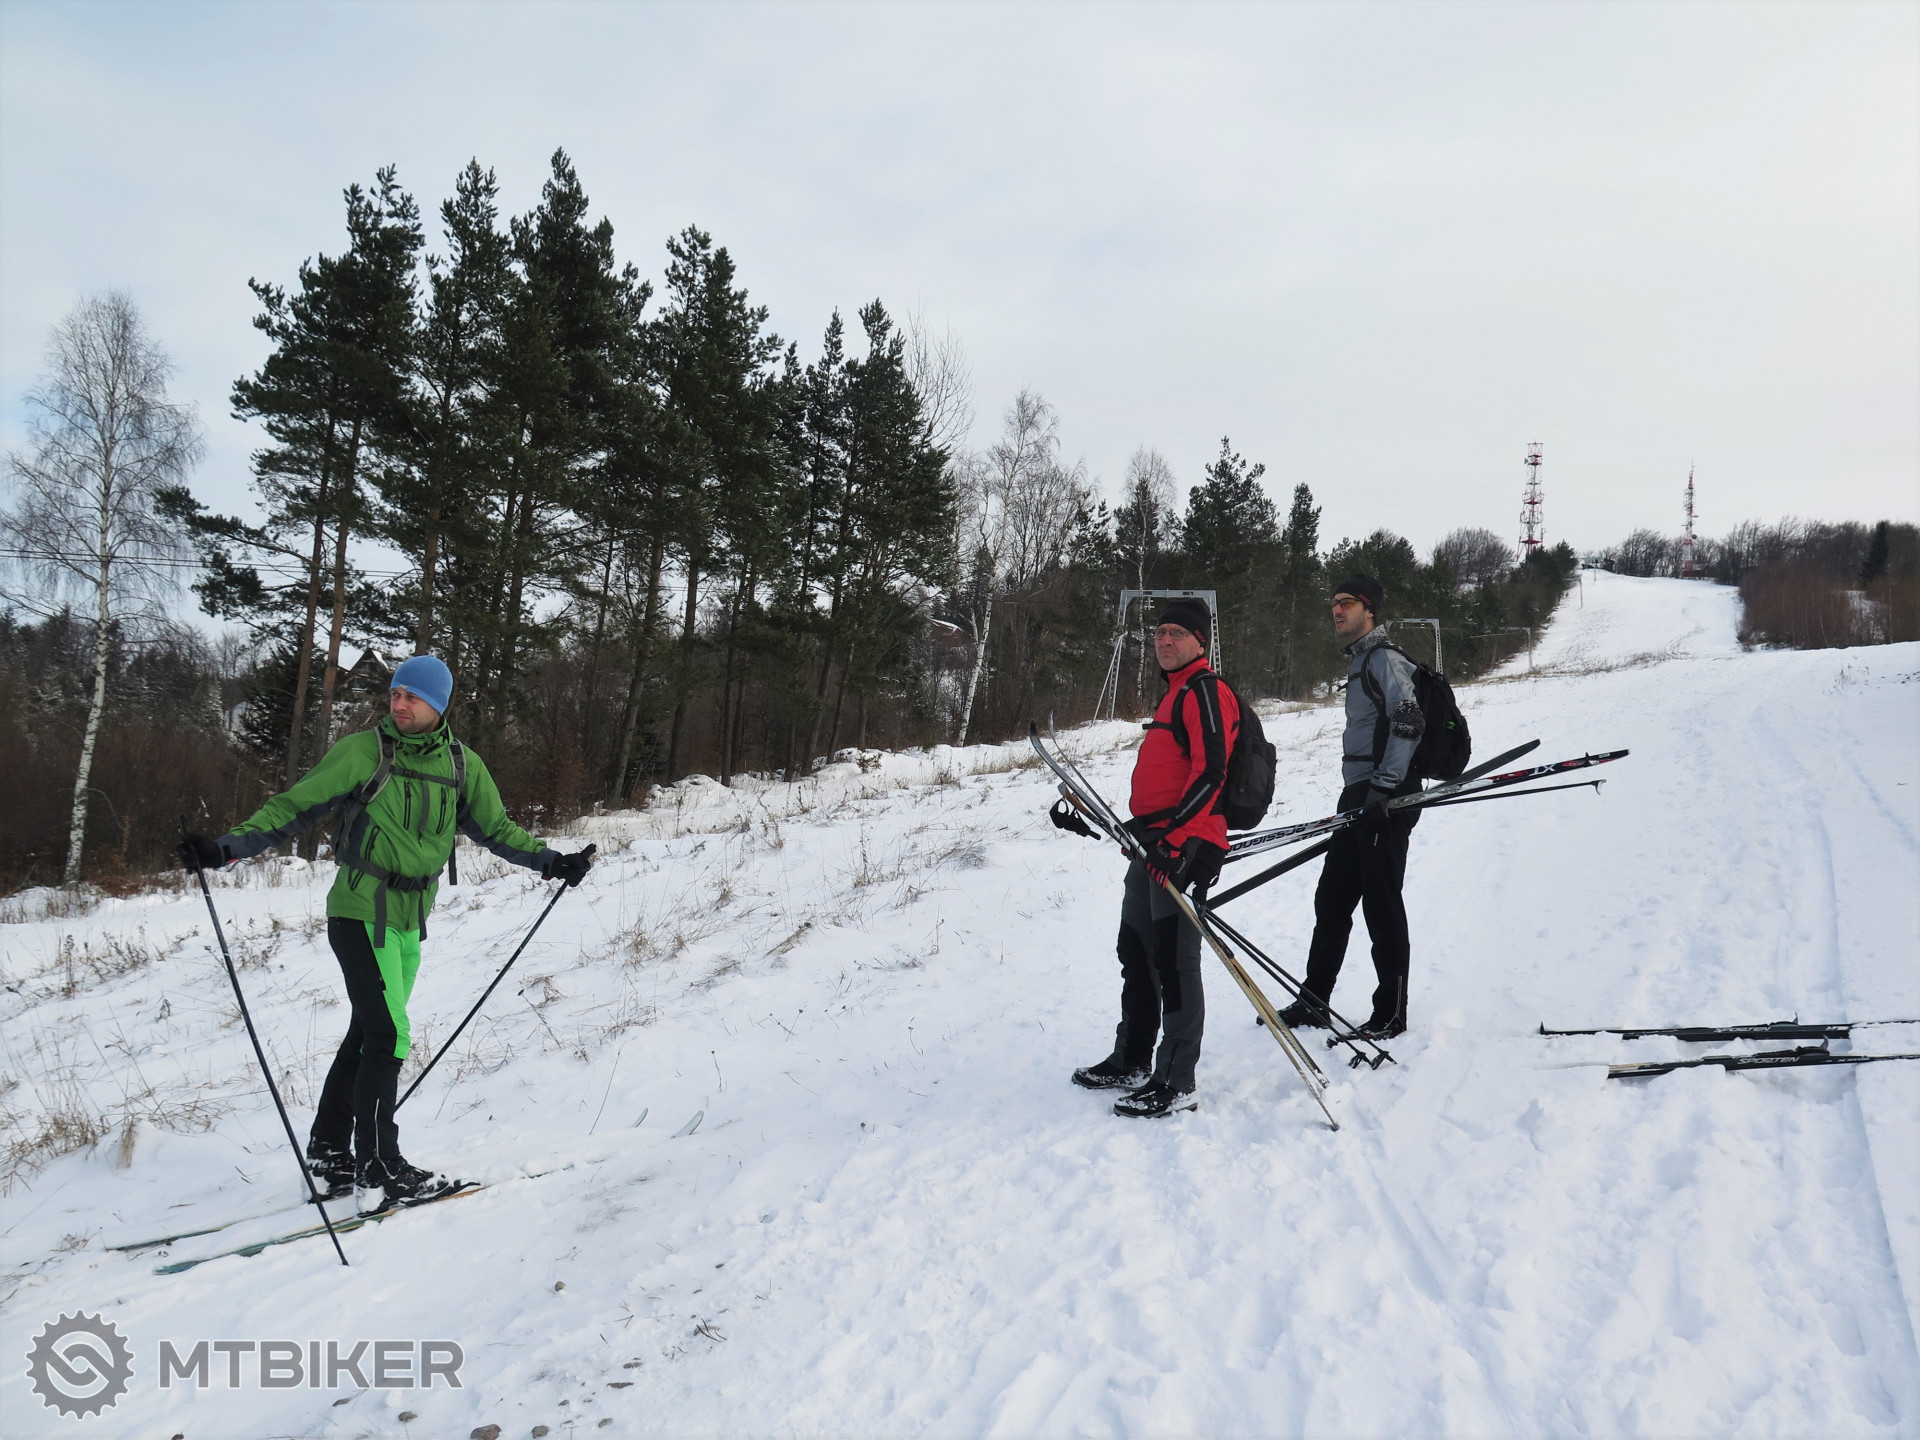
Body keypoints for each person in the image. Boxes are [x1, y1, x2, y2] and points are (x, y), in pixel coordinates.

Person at [178, 655, 594, 1211]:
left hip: (409, 920)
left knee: (368, 1035)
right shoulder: (363, 752)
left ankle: (329, 1156)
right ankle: (379, 1168)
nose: (399, 704)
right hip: (359, 909)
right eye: (395, 693)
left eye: (411, 697)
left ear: (438, 704)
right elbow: (293, 807)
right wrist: (225, 847)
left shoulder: (461, 764)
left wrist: (552, 861)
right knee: (389, 1036)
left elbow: (496, 829)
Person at [1056, 598, 1239, 1118]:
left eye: (1177, 632)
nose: (1164, 641)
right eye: (1159, 632)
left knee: (1175, 963)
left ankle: (1177, 1080)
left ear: (1201, 641)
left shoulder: (1205, 690)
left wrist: (1176, 842)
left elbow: (1212, 773)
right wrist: (1142, 832)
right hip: (1153, 845)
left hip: (1187, 846)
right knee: (1135, 949)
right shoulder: (1174, 693)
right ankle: (1133, 1057)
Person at [1278, 575, 1421, 1040]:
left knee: (1381, 902)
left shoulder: (1384, 658)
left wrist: (1384, 786)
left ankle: (1391, 1014)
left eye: (1346, 603)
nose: (1336, 610)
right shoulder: (1362, 660)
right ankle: (1314, 1001)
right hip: (1359, 794)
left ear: (1369, 609)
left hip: (1385, 795)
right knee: (1333, 898)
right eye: (1333, 603)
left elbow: (1409, 719)